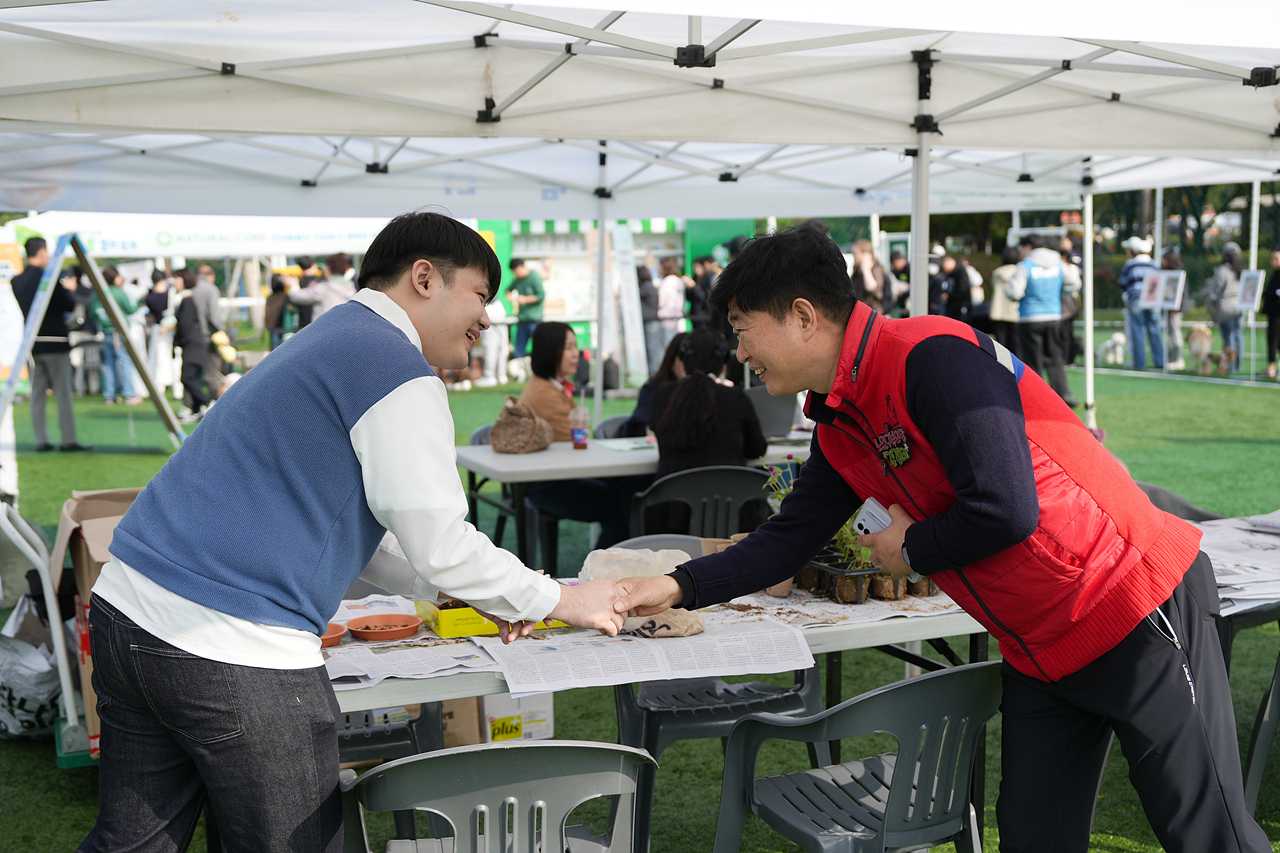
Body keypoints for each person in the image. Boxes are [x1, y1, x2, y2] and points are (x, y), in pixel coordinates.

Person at [612, 225, 1271, 853]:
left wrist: (911, 549)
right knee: (1034, 837)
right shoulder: (841, 422)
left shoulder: (929, 356)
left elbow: (1006, 507)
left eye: (742, 330)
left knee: (1205, 832)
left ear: (803, 316)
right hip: (1040, 644)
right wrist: (675, 585)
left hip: (1131, 602)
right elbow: (785, 541)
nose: (739, 353)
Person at [78, 212, 627, 853]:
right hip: (232, 643)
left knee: (133, 844)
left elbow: (364, 528)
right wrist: (562, 599)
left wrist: (471, 590)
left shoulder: (332, 337)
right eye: (480, 295)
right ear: (425, 278)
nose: (487, 319)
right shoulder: (394, 365)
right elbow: (441, 543)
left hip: (126, 610)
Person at [518, 321, 643, 551]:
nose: (577, 353)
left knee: (626, 489)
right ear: (549, 351)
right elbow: (576, 444)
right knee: (623, 503)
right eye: (568, 347)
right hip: (547, 486)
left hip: (556, 476)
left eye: (575, 346)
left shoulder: (549, 385)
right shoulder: (545, 394)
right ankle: (602, 566)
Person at [649, 327, 766, 480]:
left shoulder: (661, 395)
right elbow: (756, 449)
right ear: (723, 367)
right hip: (728, 492)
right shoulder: (736, 397)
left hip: (672, 493)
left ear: (683, 363)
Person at [10, 237, 91, 451]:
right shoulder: (49, 278)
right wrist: (68, 290)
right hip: (55, 341)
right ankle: (68, 439)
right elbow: (68, 304)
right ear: (43, 252)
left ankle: (42, 440)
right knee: (62, 392)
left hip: (33, 343)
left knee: (37, 393)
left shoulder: (17, 281)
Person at [1007, 234, 1081, 407]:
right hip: (1053, 316)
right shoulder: (1058, 263)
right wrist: (1060, 293)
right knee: (1055, 356)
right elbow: (1074, 283)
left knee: (1033, 361)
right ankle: (1064, 395)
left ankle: (1037, 399)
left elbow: (1014, 292)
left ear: (1028, 247)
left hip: (1030, 318)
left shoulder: (1025, 265)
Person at [90, 264, 144, 406]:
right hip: (118, 332)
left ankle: (110, 395)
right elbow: (131, 309)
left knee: (109, 363)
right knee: (125, 362)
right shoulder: (118, 292)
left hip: (105, 332)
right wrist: (141, 301)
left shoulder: (96, 293)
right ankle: (129, 394)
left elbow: (92, 314)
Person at [624, 331, 687, 437]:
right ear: (672, 360)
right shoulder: (653, 389)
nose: (687, 366)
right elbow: (640, 426)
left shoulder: (707, 389)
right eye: (684, 359)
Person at [170, 268, 213, 420]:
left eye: (177, 279)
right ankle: (196, 409)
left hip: (193, 344)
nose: (174, 282)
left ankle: (208, 402)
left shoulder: (187, 299)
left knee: (187, 377)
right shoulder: (183, 298)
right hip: (192, 344)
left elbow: (185, 325)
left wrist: (173, 328)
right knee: (192, 378)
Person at [1118, 236, 1163, 369]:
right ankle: (1160, 362)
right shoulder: (1154, 264)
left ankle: (1140, 363)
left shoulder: (1130, 264)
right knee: (1155, 330)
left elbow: (1122, 283)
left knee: (1137, 330)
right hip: (1152, 299)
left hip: (1136, 298)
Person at [1207, 242, 1246, 373]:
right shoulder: (1242, 270)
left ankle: (1231, 366)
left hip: (1226, 307)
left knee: (1228, 338)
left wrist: (1210, 307)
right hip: (1240, 307)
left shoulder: (1222, 270)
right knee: (1238, 336)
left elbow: (1214, 292)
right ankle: (1238, 365)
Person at [289, 253, 355, 322]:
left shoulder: (325, 288)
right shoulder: (350, 286)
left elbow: (297, 297)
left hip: (325, 326)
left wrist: (293, 285)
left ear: (329, 269)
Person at [987, 245, 1023, 361]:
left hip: (998, 311)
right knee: (1016, 342)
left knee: (1001, 343)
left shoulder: (997, 273)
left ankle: (1001, 365)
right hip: (1015, 311)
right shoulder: (1019, 271)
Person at [505, 258, 545, 359]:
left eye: (515, 271)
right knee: (519, 350)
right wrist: (509, 296)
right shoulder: (518, 280)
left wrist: (526, 299)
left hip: (535, 320)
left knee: (539, 349)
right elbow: (508, 290)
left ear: (521, 267)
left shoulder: (534, 277)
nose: (515, 274)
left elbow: (541, 296)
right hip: (522, 320)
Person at [1161, 249, 1191, 372]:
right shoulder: (1169, 272)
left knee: (1175, 333)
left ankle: (1178, 358)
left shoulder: (1178, 273)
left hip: (1175, 309)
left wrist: (1176, 309)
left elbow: (1181, 294)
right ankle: (1171, 358)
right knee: (1169, 334)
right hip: (1169, 308)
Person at [927, 253, 972, 322]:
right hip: (952, 307)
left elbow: (962, 290)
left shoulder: (960, 271)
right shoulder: (949, 274)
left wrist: (949, 295)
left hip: (961, 306)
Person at [849, 238, 889, 315]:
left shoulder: (876, 269)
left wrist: (866, 269)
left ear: (866, 254)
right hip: (860, 313)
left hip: (873, 314)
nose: (854, 256)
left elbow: (871, 287)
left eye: (856, 253)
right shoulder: (857, 272)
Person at [637, 264, 664, 375]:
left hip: (650, 322)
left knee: (652, 350)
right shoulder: (649, 286)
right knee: (654, 350)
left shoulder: (645, 287)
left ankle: (654, 375)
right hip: (652, 321)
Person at [656, 256, 686, 347]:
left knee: (668, 345)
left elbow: (662, 301)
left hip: (667, 316)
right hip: (676, 316)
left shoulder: (667, 282)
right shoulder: (677, 281)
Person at [1263, 246, 1280, 379]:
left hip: (1277, 312)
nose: (1273, 261)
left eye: (1276, 258)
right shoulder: (1275, 274)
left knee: (1274, 339)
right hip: (1273, 312)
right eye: (1272, 258)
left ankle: (1271, 366)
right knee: (1273, 338)